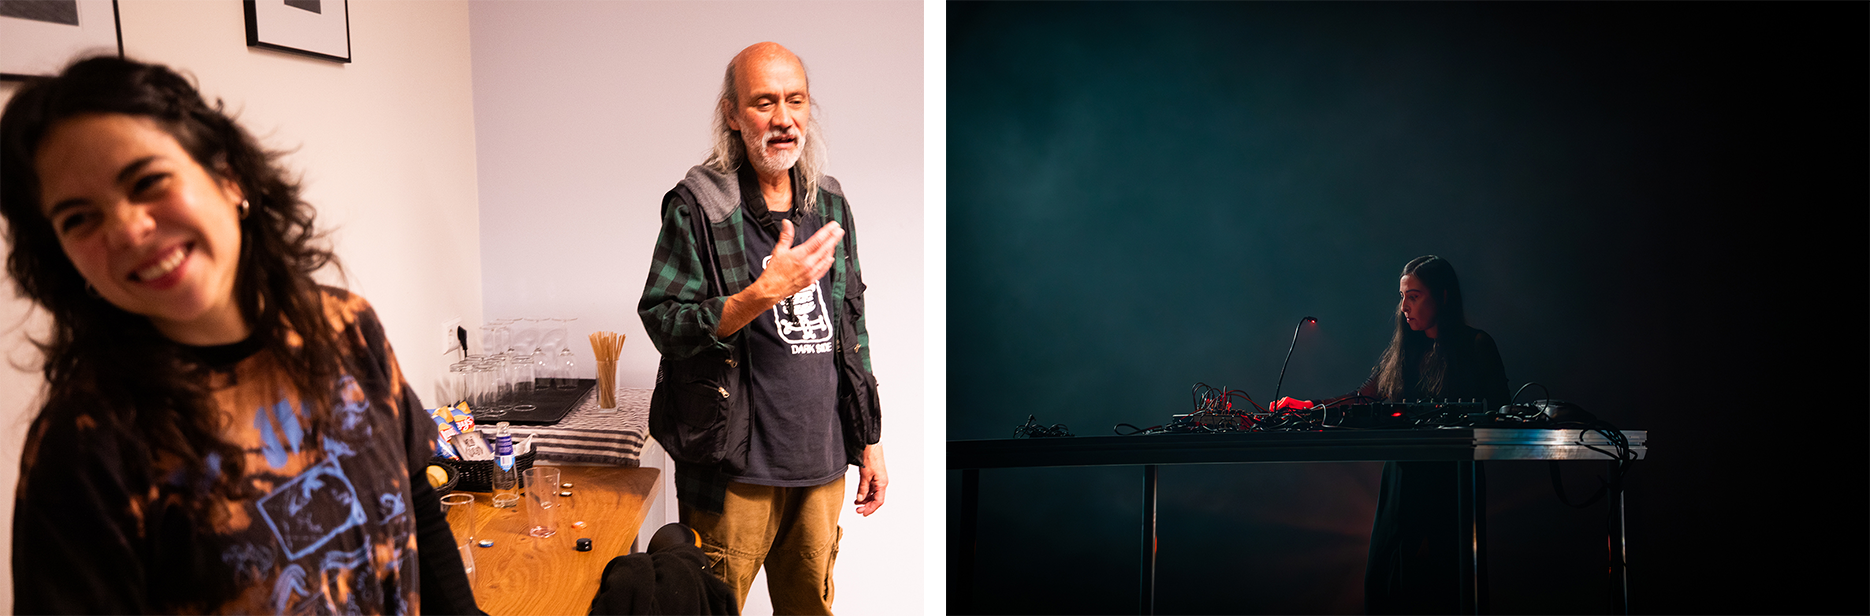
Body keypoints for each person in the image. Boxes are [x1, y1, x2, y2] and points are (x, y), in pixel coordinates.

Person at [0, 57, 478, 614]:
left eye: (148, 182)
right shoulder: (86, 443)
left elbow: (417, 498)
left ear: (230, 177)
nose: (128, 230)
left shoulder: (345, 328)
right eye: (79, 218)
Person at [638, 42, 886, 614]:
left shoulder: (831, 202)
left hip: (821, 463)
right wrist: (760, 296)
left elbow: (853, 326)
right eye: (763, 102)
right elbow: (664, 322)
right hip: (733, 468)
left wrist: (868, 439)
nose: (782, 119)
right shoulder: (698, 205)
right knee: (713, 606)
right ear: (732, 114)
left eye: (794, 100)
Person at [1274, 255, 1507, 614]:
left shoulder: (1476, 345)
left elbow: (1499, 414)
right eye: (1402, 296)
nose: (1404, 306)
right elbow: (1364, 395)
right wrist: (1306, 406)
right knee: (1389, 581)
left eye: (1414, 296)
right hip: (1403, 478)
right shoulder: (1406, 351)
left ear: (1443, 297)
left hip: (1453, 481)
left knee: (1450, 583)